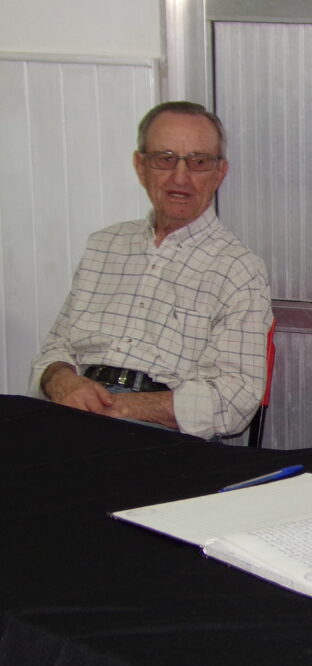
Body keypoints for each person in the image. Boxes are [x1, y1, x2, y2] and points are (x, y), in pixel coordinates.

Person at [29, 101, 272, 439]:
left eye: (198, 162)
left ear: (220, 173)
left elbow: (234, 400)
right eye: (165, 159)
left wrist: (119, 407)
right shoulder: (104, 245)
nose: (180, 177)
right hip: (73, 416)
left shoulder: (238, 269)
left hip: (157, 433)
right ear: (140, 166)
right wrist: (61, 380)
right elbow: (55, 349)